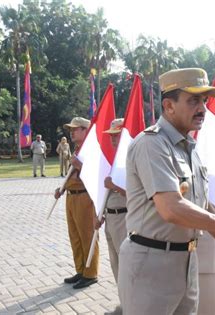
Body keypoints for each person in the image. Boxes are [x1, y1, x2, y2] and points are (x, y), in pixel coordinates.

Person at [118, 68, 215, 315]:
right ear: (169, 105)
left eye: (204, 101)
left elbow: (202, 211)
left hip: (186, 262)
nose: (202, 108)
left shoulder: (189, 149)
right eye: (193, 100)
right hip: (151, 264)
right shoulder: (152, 144)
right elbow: (172, 208)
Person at [54, 117, 99, 289]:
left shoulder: (93, 150)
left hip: (85, 198)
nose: (71, 132)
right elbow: (72, 176)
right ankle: (81, 270)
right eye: (70, 129)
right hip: (71, 197)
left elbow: (96, 175)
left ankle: (91, 273)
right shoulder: (78, 149)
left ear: (86, 130)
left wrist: (80, 165)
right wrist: (62, 187)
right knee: (75, 236)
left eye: (75, 129)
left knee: (87, 236)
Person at [96, 118, 128, 315]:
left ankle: (131, 306)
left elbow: (140, 194)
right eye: (111, 136)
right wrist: (98, 214)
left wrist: (115, 185)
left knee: (127, 267)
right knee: (116, 265)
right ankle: (125, 304)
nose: (113, 140)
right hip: (110, 217)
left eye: (116, 136)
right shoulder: (112, 160)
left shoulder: (129, 159)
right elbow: (103, 189)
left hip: (125, 218)